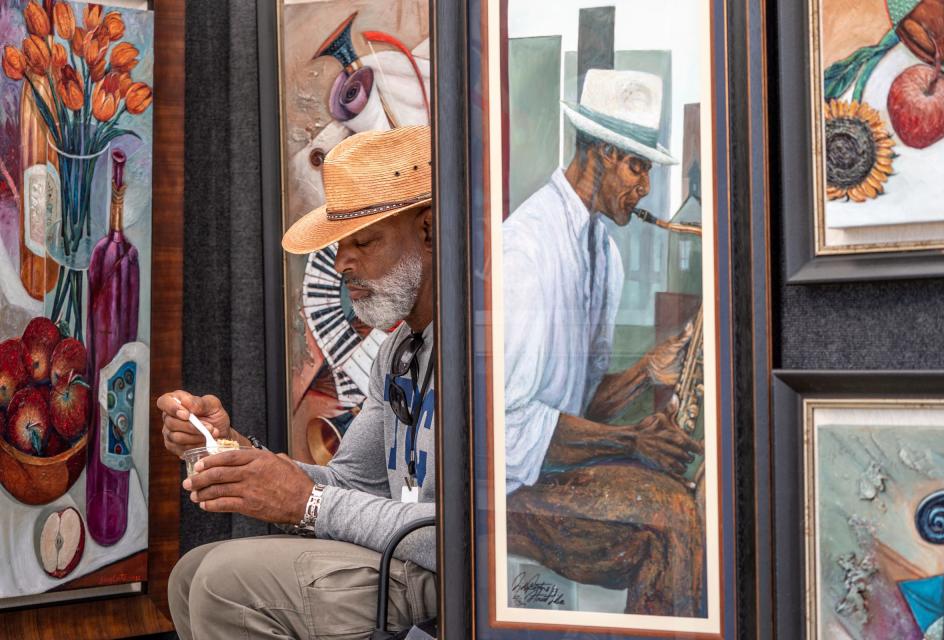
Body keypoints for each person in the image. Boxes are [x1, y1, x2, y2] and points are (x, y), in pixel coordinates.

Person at [156, 125, 438, 639]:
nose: (343, 264)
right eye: (339, 246)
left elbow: (477, 536)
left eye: (364, 241)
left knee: (223, 583)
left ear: (428, 230)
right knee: (189, 573)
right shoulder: (399, 350)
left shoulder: (481, 352)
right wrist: (237, 454)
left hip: (454, 570)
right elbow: (355, 485)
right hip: (405, 554)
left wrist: (307, 502)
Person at [502, 69, 704, 616]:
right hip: (503, 495)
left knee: (679, 507)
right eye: (636, 167)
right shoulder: (524, 251)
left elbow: (580, 403)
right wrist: (630, 443)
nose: (644, 189)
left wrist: (646, 370)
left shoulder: (604, 256)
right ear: (598, 153)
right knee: (674, 519)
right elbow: (506, 431)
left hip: (550, 474)